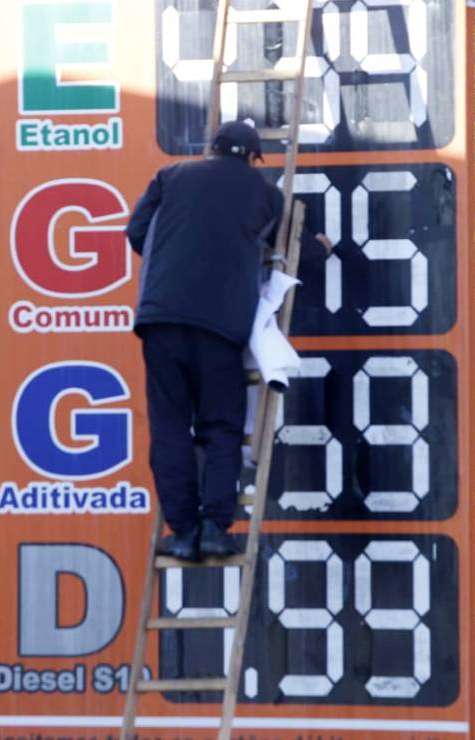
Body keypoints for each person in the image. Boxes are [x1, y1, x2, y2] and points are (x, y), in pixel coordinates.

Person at [125, 120, 327, 562]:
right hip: (219, 326)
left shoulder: (170, 176)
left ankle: (182, 533)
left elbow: (136, 232)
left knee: (169, 428)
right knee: (221, 427)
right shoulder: (266, 195)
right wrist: (323, 247)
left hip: (160, 320)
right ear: (254, 158)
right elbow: (296, 251)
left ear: (212, 147)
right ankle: (216, 529)